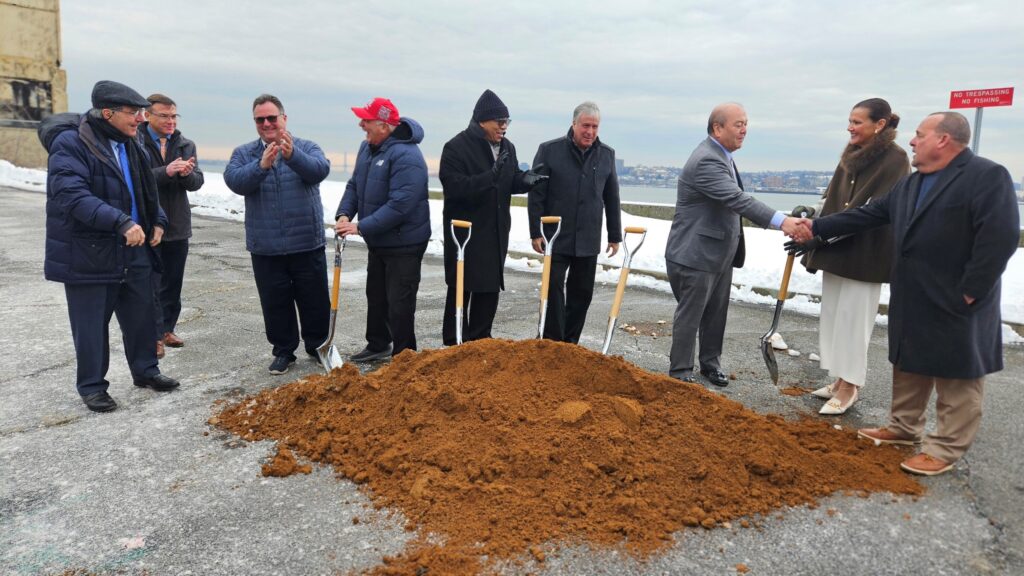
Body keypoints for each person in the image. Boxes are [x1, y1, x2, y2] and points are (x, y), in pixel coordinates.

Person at [790, 112, 1019, 475]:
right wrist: (815, 227)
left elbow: (1001, 236)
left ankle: (945, 449)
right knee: (909, 364)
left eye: (919, 134)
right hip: (913, 292)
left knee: (956, 375)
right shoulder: (912, 184)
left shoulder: (986, 177)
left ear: (943, 140)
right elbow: (869, 215)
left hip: (957, 297)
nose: (912, 141)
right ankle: (904, 428)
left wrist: (973, 290)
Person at [40, 80, 180, 413]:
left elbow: (145, 190)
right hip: (89, 250)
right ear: (108, 113)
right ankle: (92, 386)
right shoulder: (71, 144)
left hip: (135, 245)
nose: (140, 119)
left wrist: (157, 220)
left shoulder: (131, 143)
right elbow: (72, 196)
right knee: (90, 323)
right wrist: (120, 222)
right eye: (133, 113)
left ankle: (146, 370)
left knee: (141, 314)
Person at [664, 102, 804, 387]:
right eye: (738, 124)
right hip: (695, 254)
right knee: (691, 315)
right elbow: (738, 200)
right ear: (718, 128)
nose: (744, 130)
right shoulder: (706, 159)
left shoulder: (722, 155)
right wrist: (782, 221)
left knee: (715, 314)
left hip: (719, 253)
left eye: (746, 124)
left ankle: (710, 365)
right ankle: (680, 372)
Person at [793, 98, 909, 415]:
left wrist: (818, 232)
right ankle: (838, 378)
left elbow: (874, 212)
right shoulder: (852, 155)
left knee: (854, 321)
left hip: (867, 254)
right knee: (833, 316)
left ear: (880, 124)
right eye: (850, 121)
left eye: (857, 122)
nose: (850, 127)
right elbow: (835, 198)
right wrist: (813, 222)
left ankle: (851, 385)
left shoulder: (896, 159)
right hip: (836, 248)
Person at [224, 94, 331, 375]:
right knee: (275, 303)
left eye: (272, 117)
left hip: (306, 242)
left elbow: (320, 170)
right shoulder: (244, 153)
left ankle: (318, 346)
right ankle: (284, 351)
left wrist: (292, 155)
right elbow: (234, 181)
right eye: (261, 119)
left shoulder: (306, 147)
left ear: (284, 118)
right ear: (255, 123)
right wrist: (261, 166)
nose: (267, 123)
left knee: (315, 299)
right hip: (266, 246)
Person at [439, 89, 546, 345]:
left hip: (495, 231)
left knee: (489, 288)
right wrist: (491, 176)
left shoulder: (507, 147)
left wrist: (525, 181)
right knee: (461, 287)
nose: (504, 127)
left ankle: (481, 340)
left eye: (507, 122)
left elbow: (506, 182)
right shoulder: (456, 147)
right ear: (482, 121)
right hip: (465, 233)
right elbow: (455, 188)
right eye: (499, 122)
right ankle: (455, 341)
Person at [335, 97, 430, 361]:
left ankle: (405, 356)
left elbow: (401, 205)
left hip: (405, 242)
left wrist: (360, 226)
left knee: (399, 302)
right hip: (380, 239)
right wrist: (344, 214)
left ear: (385, 126)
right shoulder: (367, 148)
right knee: (376, 296)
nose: (361, 124)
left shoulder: (407, 156)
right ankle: (378, 345)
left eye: (367, 120)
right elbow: (355, 185)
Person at [528, 101, 621, 344]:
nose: (590, 132)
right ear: (574, 124)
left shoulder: (606, 155)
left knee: (582, 294)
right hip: (556, 235)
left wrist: (614, 235)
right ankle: (551, 341)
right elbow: (536, 194)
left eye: (595, 127)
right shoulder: (549, 150)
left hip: (588, 237)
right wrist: (535, 231)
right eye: (585, 126)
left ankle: (570, 344)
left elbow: (611, 197)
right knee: (554, 290)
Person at [139, 93, 204, 357]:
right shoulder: (136, 142)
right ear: (147, 116)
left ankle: (167, 329)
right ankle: (151, 335)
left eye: (173, 116)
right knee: (148, 284)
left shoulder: (185, 144)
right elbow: (137, 180)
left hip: (177, 223)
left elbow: (197, 183)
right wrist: (166, 171)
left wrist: (187, 174)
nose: (170, 121)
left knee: (172, 283)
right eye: (164, 116)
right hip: (147, 224)